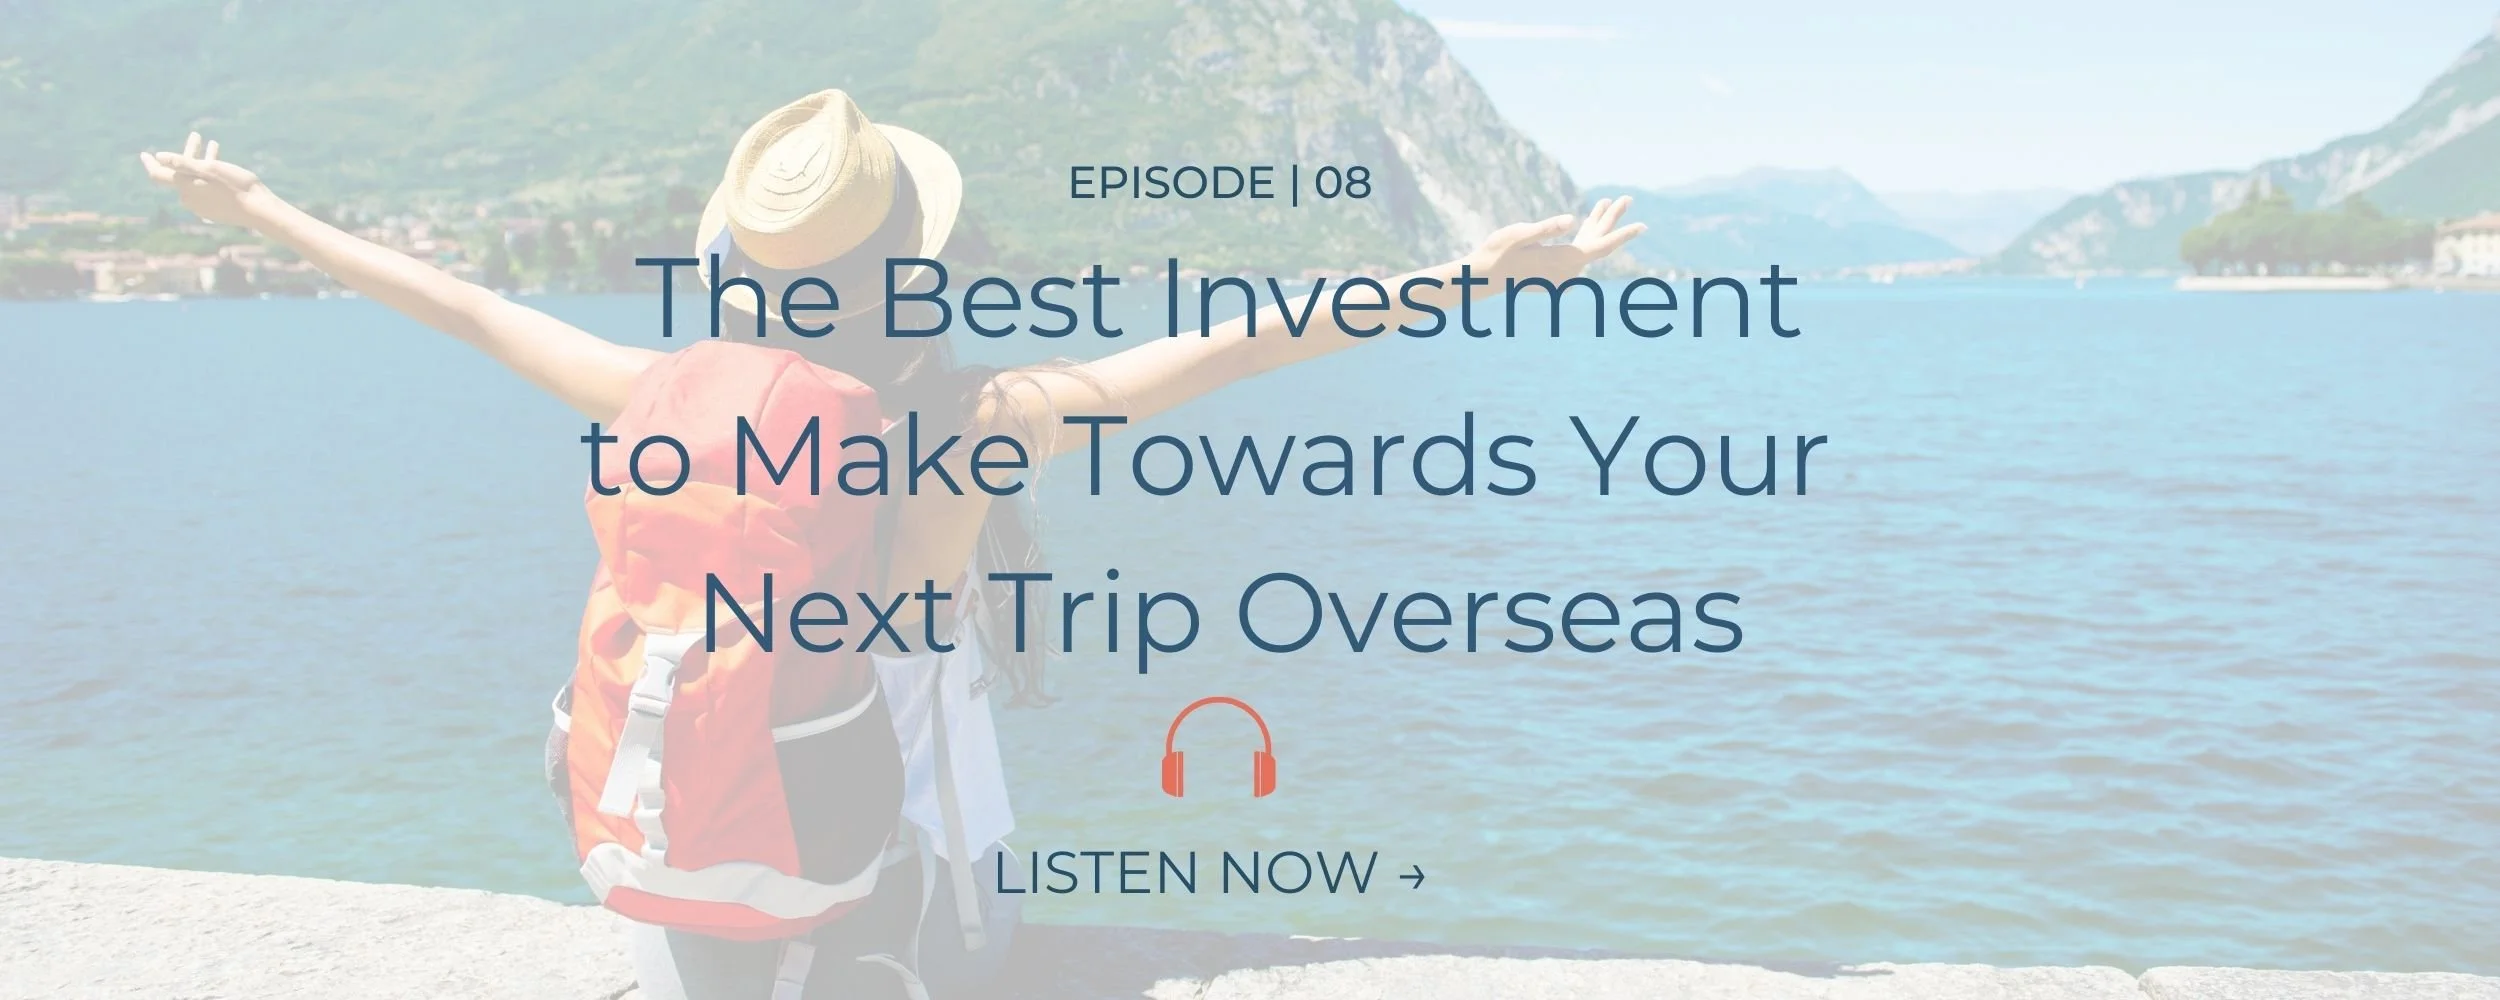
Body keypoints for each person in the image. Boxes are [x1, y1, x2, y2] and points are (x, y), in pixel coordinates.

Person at [141, 92, 1640, 999]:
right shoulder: (976, 425)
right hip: (894, 884)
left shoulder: (660, 396)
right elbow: (1238, 351)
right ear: (910, 270)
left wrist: (257, 205)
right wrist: (1467, 275)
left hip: (679, 854)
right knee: (959, 888)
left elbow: (461, 307)